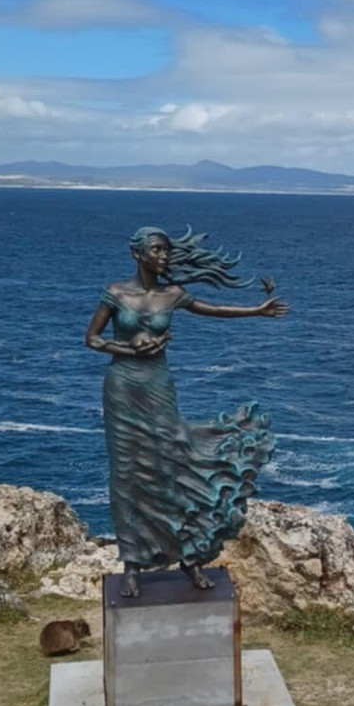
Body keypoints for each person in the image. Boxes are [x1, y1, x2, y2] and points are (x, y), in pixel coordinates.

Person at [85, 226, 289, 598]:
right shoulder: (116, 293)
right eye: (157, 250)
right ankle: (133, 562)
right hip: (122, 387)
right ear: (138, 254)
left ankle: (191, 555)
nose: (164, 256)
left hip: (157, 385)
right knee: (128, 472)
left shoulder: (173, 294)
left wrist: (256, 311)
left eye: (166, 250)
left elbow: (212, 309)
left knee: (172, 459)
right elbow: (93, 339)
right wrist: (132, 349)